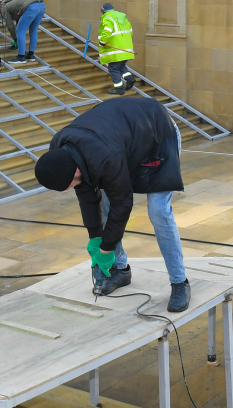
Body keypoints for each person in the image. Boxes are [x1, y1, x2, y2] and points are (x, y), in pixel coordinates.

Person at [33, 97, 190, 313]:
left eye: (67, 185)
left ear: (75, 171)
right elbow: (87, 195)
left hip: (158, 135)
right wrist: (95, 236)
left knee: (158, 211)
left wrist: (106, 249)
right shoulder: (60, 151)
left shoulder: (105, 157)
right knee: (105, 207)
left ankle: (180, 282)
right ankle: (120, 269)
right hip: (123, 139)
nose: (69, 189)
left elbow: (123, 203)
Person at [98, 3, 136, 95]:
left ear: (103, 12)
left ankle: (119, 89)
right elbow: (130, 32)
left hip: (115, 49)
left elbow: (107, 31)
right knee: (121, 66)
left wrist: (102, 42)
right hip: (126, 48)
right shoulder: (123, 18)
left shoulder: (108, 18)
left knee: (113, 68)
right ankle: (129, 78)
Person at [2, 0, 45, 64]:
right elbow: (19, 19)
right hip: (42, 5)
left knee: (20, 31)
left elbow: (10, 25)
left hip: (31, 7)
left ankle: (21, 57)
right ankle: (31, 55)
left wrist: (15, 39)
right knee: (33, 31)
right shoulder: (16, 3)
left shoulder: (4, 7)